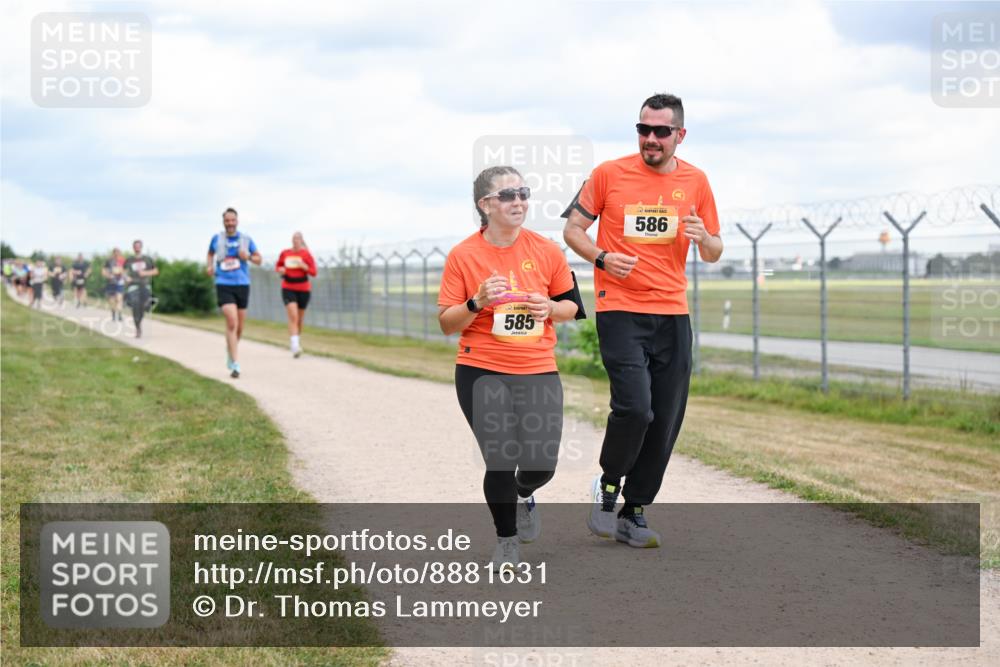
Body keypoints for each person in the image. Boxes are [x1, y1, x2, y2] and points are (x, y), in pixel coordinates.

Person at [562, 93, 723, 548]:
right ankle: (609, 483)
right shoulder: (608, 174)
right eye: (643, 130)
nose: (650, 139)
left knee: (666, 417)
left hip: (673, 312)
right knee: (636, 407)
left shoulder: (697, 181)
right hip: (621, 309)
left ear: (680, 135)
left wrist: (704, 237)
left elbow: (714, 251)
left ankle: (636, 510)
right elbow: (573, 230)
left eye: (660, 131)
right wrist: (601, 256)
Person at [439, 166, 584, 571]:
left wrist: (550, 307)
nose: (518, 201)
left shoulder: (547, 249)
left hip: (537, 367)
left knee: (541, 464)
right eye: (507, 195)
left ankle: (524, 493)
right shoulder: (463, 255)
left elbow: (572, 307)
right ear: (485, 205)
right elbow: (447, 323)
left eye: (523, 192)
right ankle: (506, 543)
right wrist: (476, 302)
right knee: (500, 458)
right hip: (481, 368)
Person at [206, 207, 262, 378]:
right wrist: (209, 266)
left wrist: (248, 257)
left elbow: (259, 259)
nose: (230, 223)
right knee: (232, 321)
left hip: (242, 284)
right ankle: (235, 364)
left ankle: (231, 350)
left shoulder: (246, 239)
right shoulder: (217, 238)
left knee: (239, 327)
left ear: (237, 221)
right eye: (227, 220)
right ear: (223, 222)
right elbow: (210, 253)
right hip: (223, 283)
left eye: (232, 220)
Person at [276, 232, 318, 357]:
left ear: (302, 241)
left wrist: (304, 266)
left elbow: (314, 272)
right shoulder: (285, 253)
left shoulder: (306, 254)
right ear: (292, 240)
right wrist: (280, 270)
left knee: (299, 319)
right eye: (294, 238)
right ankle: (294, 346)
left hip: (303, 289)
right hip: (288, 287)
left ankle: (296, 342)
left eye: (298, 239)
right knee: (293, 316)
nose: (296, 241)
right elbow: (278, 266)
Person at [125, 240, 158, 338]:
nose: (137, 248)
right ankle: (138, 328)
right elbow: (123, 271)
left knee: (144, 306)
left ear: (141, 247)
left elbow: (156, 271)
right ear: (133, 247)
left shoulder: (147, 259)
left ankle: (139, 321)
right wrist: (126, 277)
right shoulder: (129, 260)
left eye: (138, 246)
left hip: (145, 285)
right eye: (135, 246)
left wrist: (145, 273)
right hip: (133, 286)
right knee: (135, 306)